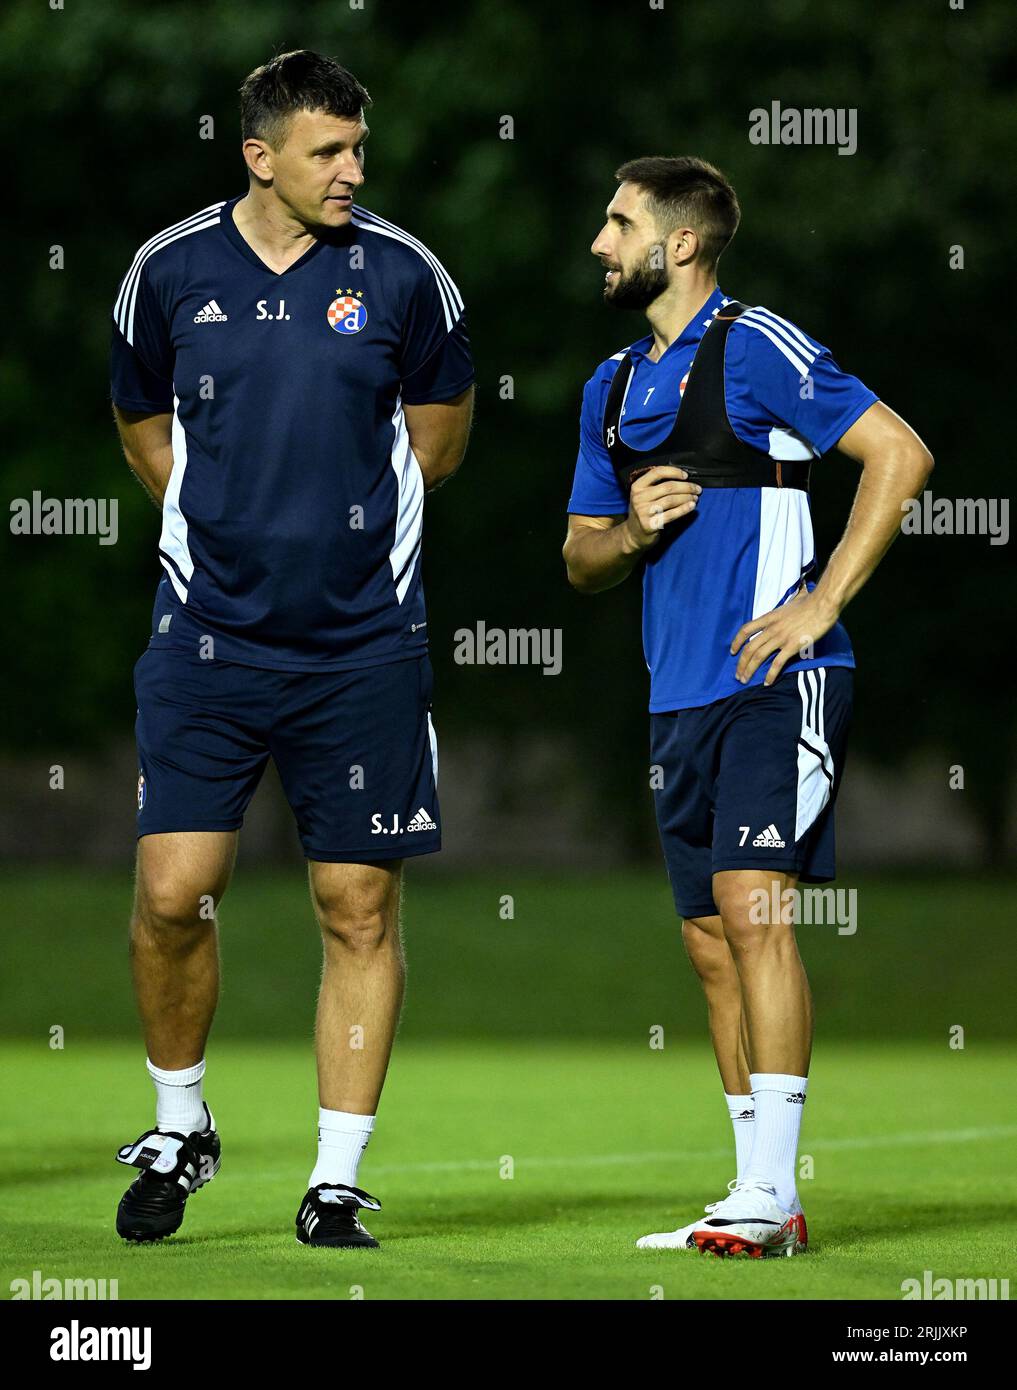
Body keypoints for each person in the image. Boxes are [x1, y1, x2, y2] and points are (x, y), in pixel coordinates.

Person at [109, 50, 474, 1249]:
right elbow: (141, 423)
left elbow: (439, 440)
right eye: (329, 151)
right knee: (175, 894)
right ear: (260, 156)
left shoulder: (407, 275)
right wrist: (219, 534)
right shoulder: (166, 272)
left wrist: (341, 542)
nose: (352, 172)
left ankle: (335, 1177)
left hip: (362, 645)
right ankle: (180, 1125)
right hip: (206, 640)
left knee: (357, 905)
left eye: (359, 149)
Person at [563, 156, 932, 1256]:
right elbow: (579, 559)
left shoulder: (757, 344)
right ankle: (757, 1195)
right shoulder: (613, 387)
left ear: (678, 243)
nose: (598, 241)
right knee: (712, 940)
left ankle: (771, 1191)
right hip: (676, 699)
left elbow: (898, 455)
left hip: (780, 680)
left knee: (751, 900)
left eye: (618, 222)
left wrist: (818, 603)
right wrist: (628, 532)